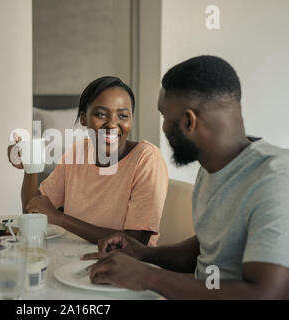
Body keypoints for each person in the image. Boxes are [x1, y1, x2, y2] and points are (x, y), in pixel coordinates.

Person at [82, 56, 289, 299]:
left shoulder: (275, 180)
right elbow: (207, 248)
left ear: (188, 121)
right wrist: (143, 254)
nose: (163, 127)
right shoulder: (214, 166)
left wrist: (148, 276)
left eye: (164, 115)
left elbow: (266, 295)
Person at [7, 76, 168, 245]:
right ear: (83, 118)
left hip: (124, 265)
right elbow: (33, 213)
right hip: (73, 257)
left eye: (123, 116)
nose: (112, 124)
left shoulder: (146, 158)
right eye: (100, 114)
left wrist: (59, 218)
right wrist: (29, 165)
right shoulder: (78, 151)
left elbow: (135, 241)